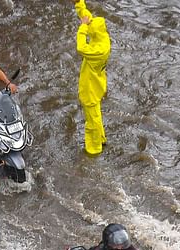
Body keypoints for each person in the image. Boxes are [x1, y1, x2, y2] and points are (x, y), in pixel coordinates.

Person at [74, 0, 111, 155]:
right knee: (96, 115)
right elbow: (88, 18)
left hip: (90, 89)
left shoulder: (98, 50)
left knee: (91, 121)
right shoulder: (102, 37)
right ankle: (101, 139)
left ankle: (93, 149)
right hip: (97, 85)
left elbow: (81, 47)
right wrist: (79, 3)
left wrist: (82, 27)